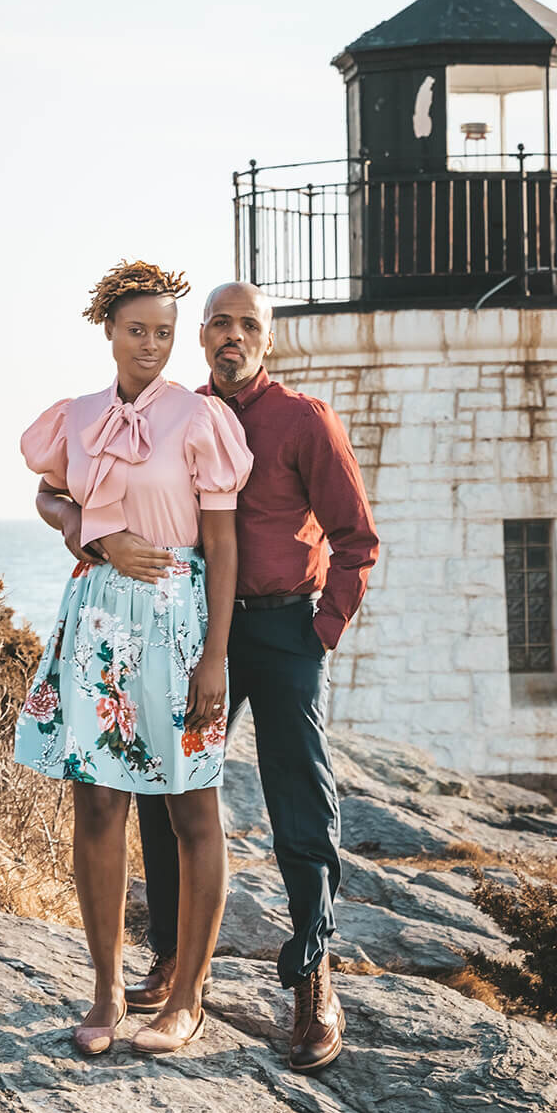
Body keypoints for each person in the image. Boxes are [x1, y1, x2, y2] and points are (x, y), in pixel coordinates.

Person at [100, 280, 379, 1071]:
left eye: (247, 325)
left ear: (267, 340)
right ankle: (169, 960)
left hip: (286, 629)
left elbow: (357, 538)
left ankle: (312, 976)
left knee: (299, 797)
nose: (232, 335)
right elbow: (96, 488)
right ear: (201, 337)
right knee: (167, 788)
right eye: (219, 322)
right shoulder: (176, 415)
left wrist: (321, 629)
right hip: (193, 630)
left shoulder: (303, 420)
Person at [15, 260, 252, 1058]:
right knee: (97, 807)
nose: (152, 345)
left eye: (165, 333)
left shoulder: (199, 420)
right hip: (95, 620)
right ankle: (106, 989)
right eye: (137, 330)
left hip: (179, 623)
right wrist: (87, 529)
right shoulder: (74, 417)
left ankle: (186, 996)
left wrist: (214, 656)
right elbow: (50, 495)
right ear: (109, 331)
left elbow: (221, 544)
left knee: (192, 808)